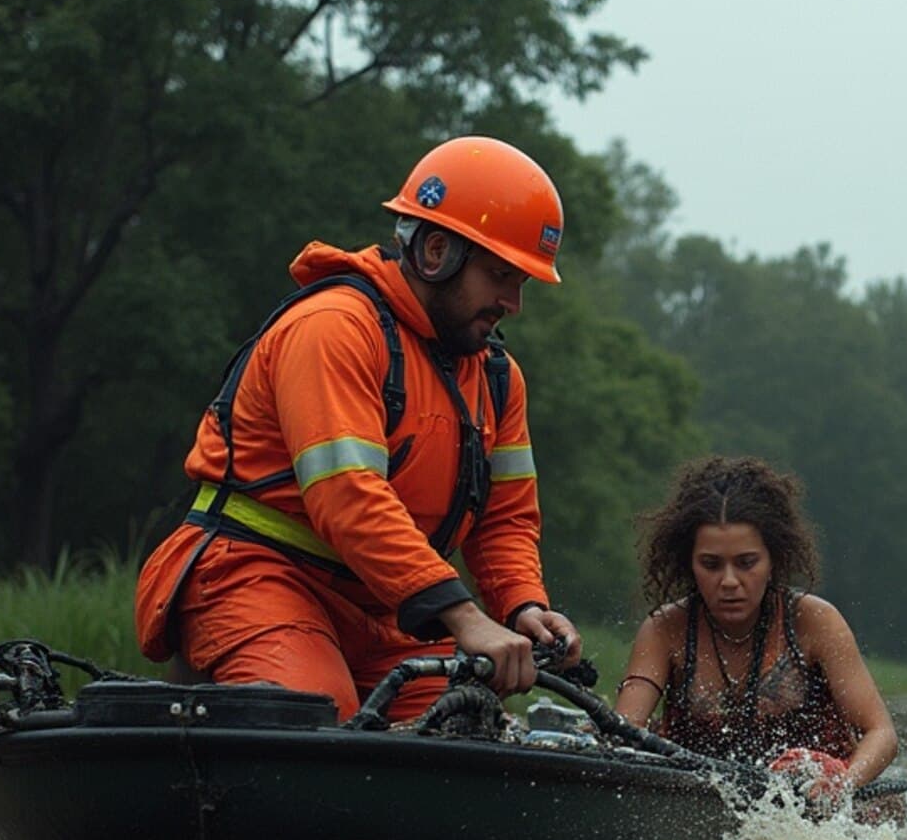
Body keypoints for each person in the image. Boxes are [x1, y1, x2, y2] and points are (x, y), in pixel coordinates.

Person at [133, 136, 581, 720]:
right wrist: (464, 616)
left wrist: (523, 607)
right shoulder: (334, 329)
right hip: (256, 576)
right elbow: (348, 497)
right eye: (501, 274)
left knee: (464, 726)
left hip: (388, 610)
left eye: (521, 282)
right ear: (436, 252)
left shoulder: (497, 377)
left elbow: (504, 521)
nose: (513, 302)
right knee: (318, 716)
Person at [615, 456, 898, 809]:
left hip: (820, 812)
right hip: (700, 808)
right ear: (688, 563)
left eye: (746, 563)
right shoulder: (664, 630)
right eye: (711, 565)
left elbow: (881, 734)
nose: (729, 582)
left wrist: (841, 783)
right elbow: (625, 734)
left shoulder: (814, 621)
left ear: (773, 560)